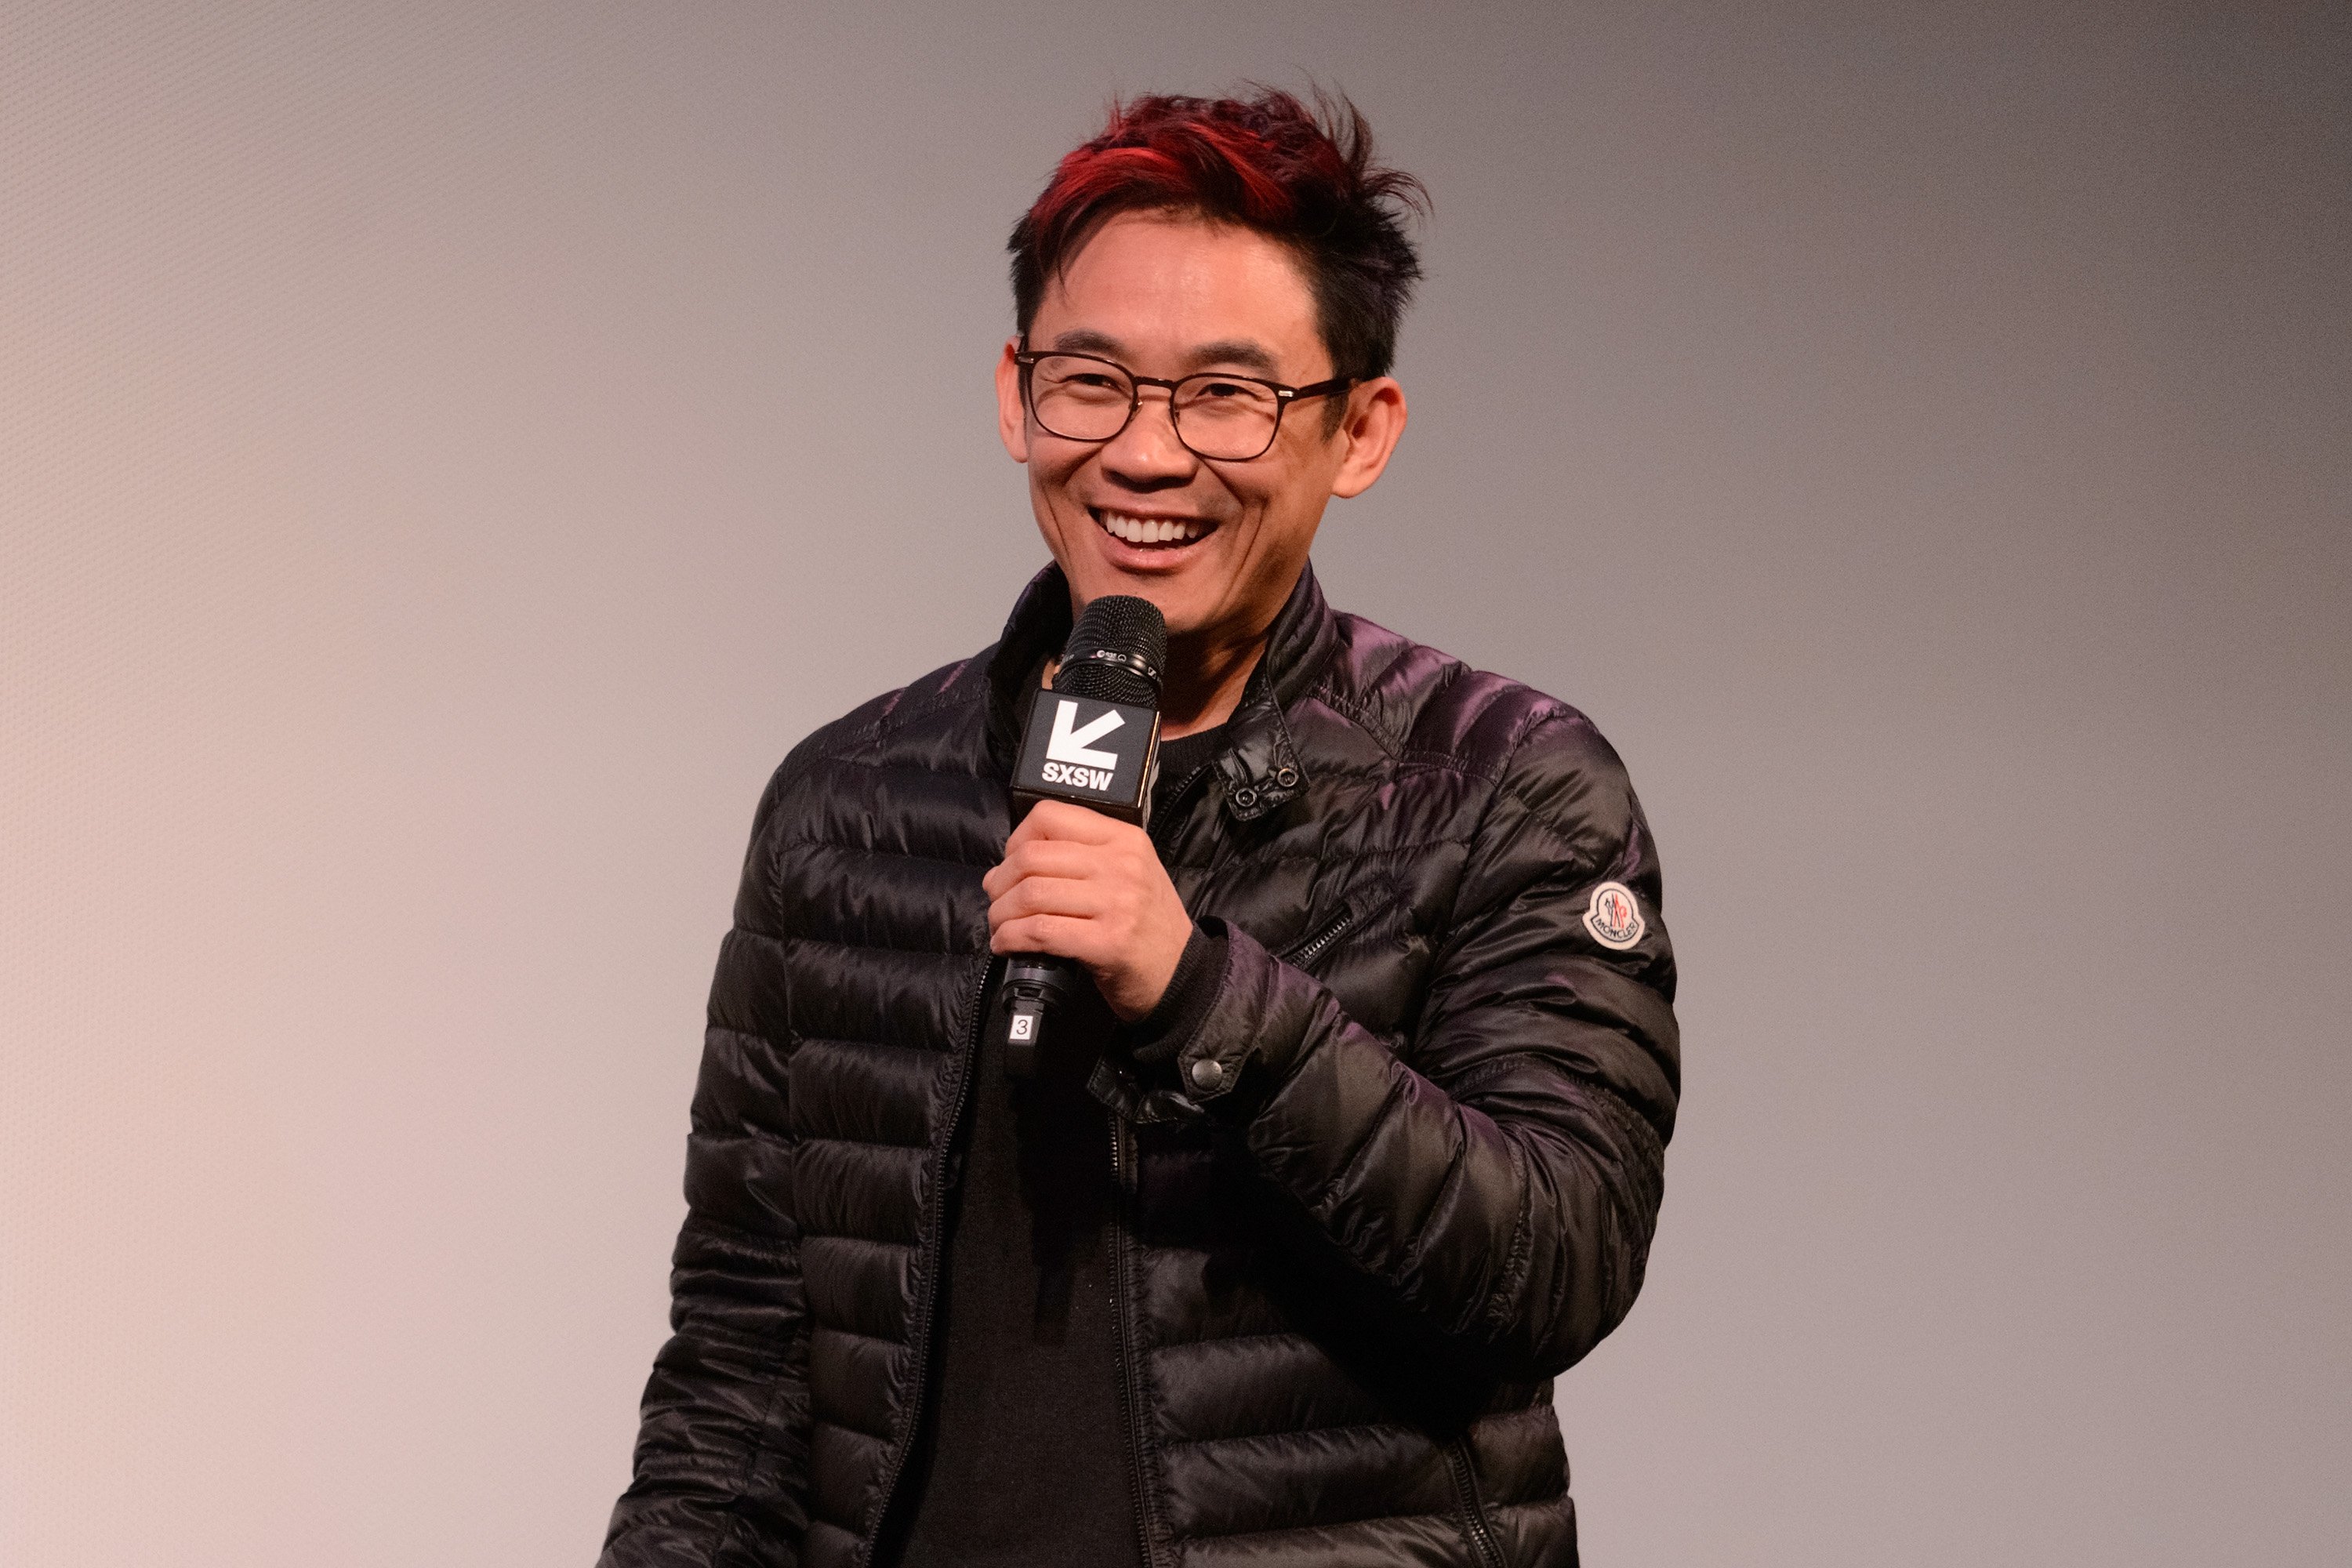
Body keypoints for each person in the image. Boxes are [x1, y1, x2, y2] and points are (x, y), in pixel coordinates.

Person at [600, 89, 1678, 1568]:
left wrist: (1198, 988)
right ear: (1012, 393)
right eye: (1091, 380)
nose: (1147, 456)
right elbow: (740, 1376)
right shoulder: (849, 807)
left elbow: (1556, 1260)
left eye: (1227, 396)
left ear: (1361, 430)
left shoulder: (1506, 788)